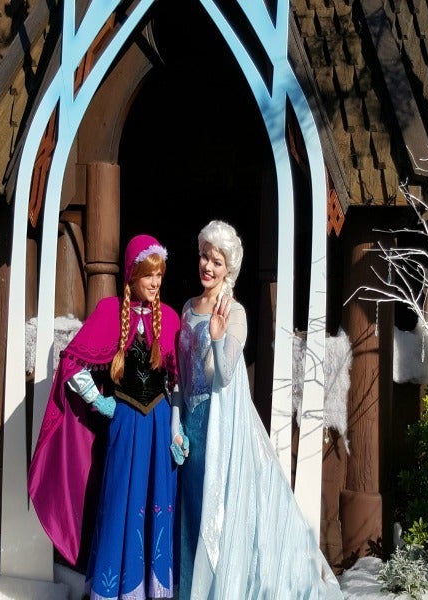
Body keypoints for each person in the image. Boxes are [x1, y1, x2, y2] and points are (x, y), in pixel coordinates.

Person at [175, 220, 343, 599]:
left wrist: (217, 339)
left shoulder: (235, 312)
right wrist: (177, 420)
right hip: (191, 425)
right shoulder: (188, 308)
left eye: (216, 261)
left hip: (221, 427)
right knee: (192, 514)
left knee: (220, 515)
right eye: (204, 256)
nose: (207, 266)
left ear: (228, 269)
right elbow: (182, 373)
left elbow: (227, 372)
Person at [28, 234, 186, 600]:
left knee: (157, 501)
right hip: (126, 424)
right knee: (120, 501)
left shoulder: (172, 318)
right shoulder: (110, 311)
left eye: (159, 275)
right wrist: (99, 402)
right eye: (148, 274)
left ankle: (153, 590)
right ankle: (115, 589)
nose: (155, 282)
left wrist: (177, 430)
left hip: (160, 427)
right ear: (132, 274)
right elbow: (72, 363)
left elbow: (176, 384)